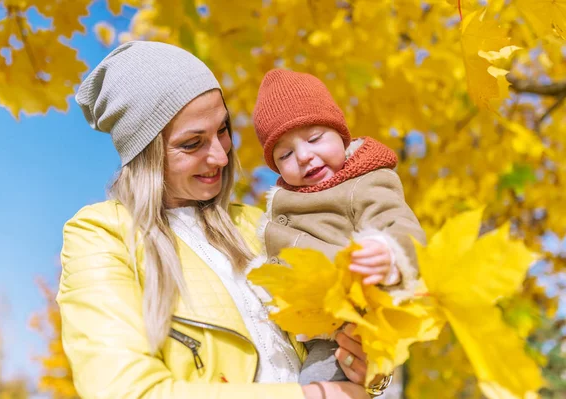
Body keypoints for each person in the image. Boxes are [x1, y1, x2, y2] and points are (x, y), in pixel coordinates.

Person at [57, 41, 372, 399]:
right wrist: (314, 396)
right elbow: (125, 391)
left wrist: (367, 371)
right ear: (146, 154)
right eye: (192, 143)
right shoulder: (102, 236)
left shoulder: (262, 224)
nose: (221, 157)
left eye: (223, 130)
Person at [251, 69, 426, 386]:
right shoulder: (284, 200)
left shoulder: (364, 181)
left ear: (341, 134)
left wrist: (388, 254)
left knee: (320, 386)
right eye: (286, 154)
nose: (304, 156)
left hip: (342, 329)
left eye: (315, 138)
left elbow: (400, 224)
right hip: (293, 324)